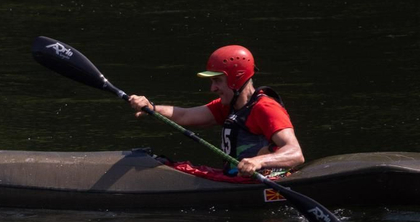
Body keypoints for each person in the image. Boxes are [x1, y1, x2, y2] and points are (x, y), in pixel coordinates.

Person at [126, 45, 305, 176]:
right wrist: (152, 107)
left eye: (217, 81)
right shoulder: (228, 106)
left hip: (259, 182)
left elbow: (295, 153)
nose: (212, 88)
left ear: (235, 79)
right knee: (168, 166)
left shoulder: (265, 108)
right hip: (233, 179)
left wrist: (259, 161)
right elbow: (184, 115)